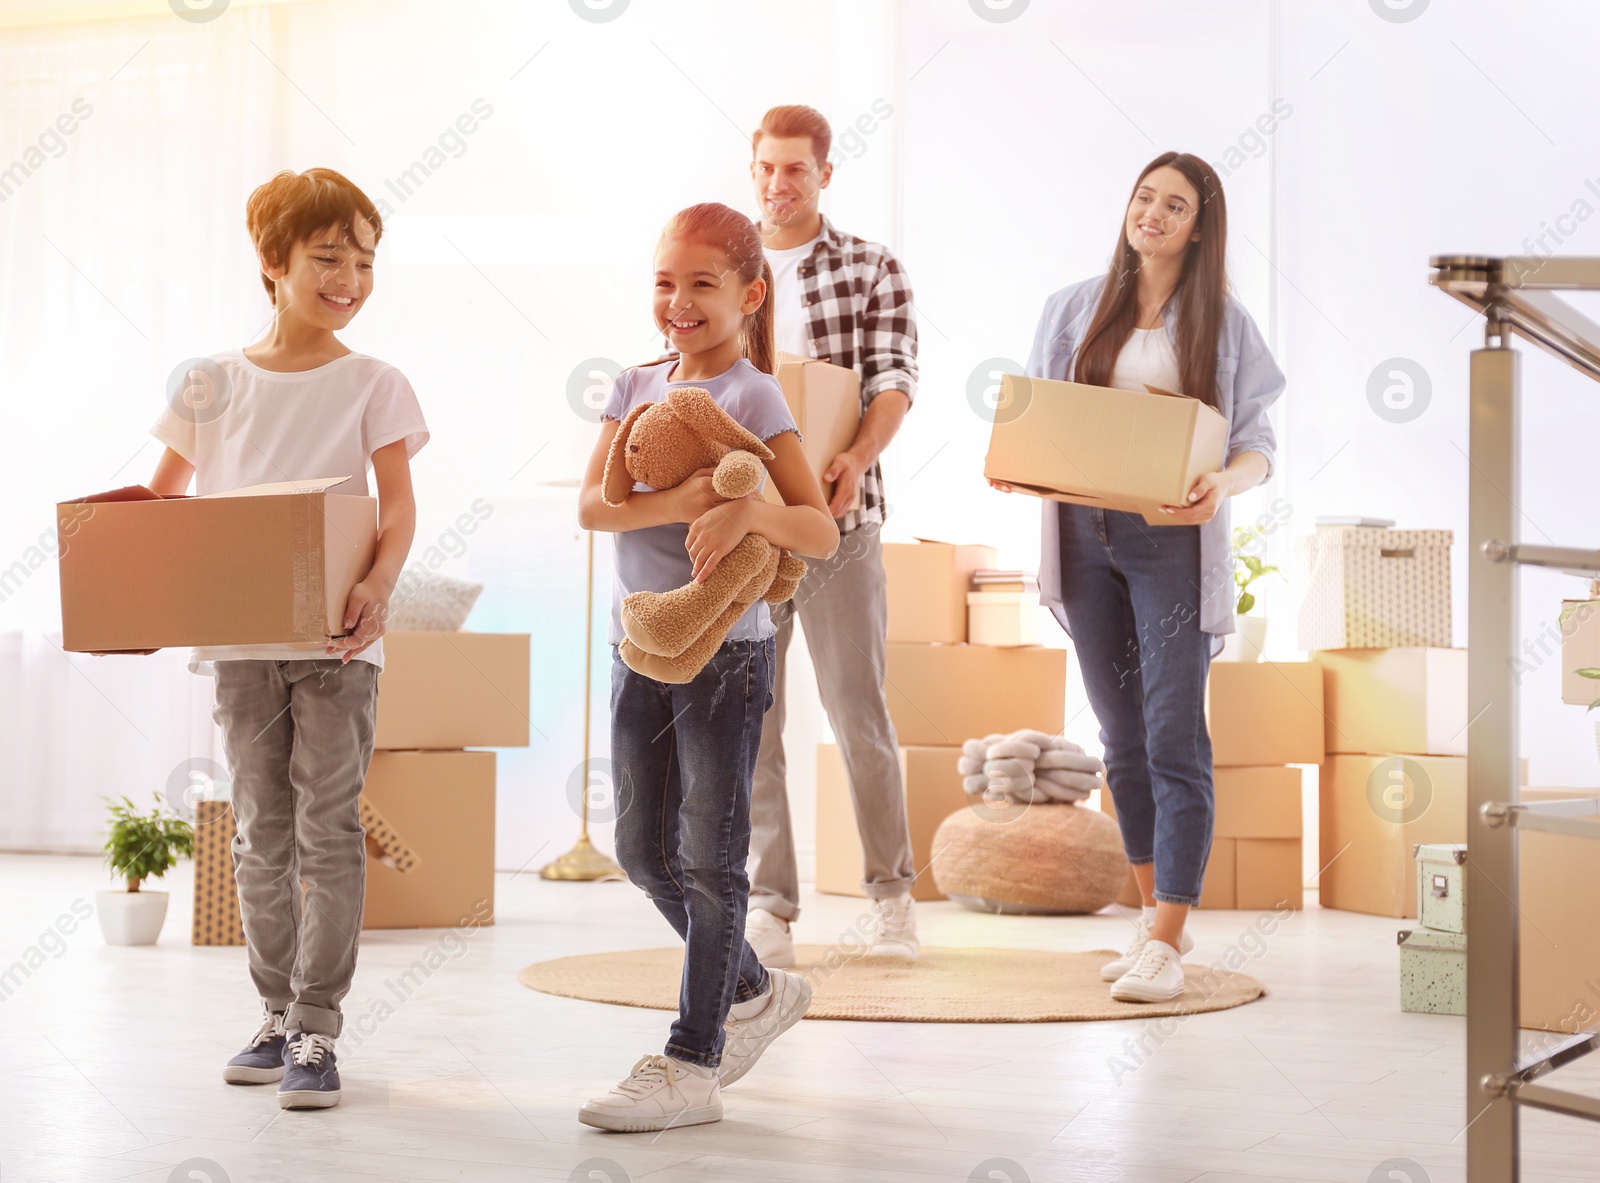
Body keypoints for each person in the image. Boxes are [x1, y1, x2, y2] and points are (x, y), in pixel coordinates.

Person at [147, 168, 429, 1105]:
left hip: (339, 644)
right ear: (272, 263)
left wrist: (380, 589)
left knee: (327, 826)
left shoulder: (374, 381)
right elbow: (160, 508)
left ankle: (319, 1028)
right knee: (262, 832)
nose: (349, 277)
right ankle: (272, 1014)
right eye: (327, 257)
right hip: (240, 643)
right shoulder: (210, 383)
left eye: (364, 259)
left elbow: (397, 511)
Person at [992, 152, 1284, 1003]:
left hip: (1171, 541)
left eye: (1175, 205)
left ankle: (1166, 936)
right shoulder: (1073, 307)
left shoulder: (1223, 324)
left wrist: (1221, 485)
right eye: (1144, 198)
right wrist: (1019, 462)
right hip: (1083, 537)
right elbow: (1042, 415)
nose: (1152, 214)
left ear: (1200, 227)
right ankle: (1157, 913)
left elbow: (1257, 442)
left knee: (1172, 734)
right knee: (1120, 736)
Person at [576, 202, 839, 1132]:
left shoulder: (756, 396)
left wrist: (746, 512)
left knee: (712, 857)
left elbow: (819, 526)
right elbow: (595, 510)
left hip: (730, 654)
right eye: (664, 282)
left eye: (701, 283)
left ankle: (695, 1060)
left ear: (749, 293)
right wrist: (684, 499)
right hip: (640, 642)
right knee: (644, 851)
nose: (678, 301)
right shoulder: (634, 385)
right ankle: (758, 988)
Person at [744, 105, 921, 966]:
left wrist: (854, 452)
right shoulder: (727, 265)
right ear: (754, 169)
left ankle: (892, 897)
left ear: (825, 174)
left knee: (859, 710)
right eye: (768, 168)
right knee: (755, 716)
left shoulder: (868, 266)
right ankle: (770, 904)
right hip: (750, 526)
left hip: (842, 521)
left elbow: (893, 378)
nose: (780, 185)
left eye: (797, 171)